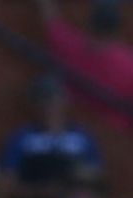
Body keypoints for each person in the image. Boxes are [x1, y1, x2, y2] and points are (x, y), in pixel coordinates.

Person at [36, 0, 133, 131]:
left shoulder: (71, 46)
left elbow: (51, 19)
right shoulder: (128, 63)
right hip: (113, 135)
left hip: (75, 131)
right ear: (116, 31)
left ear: (89, 26)